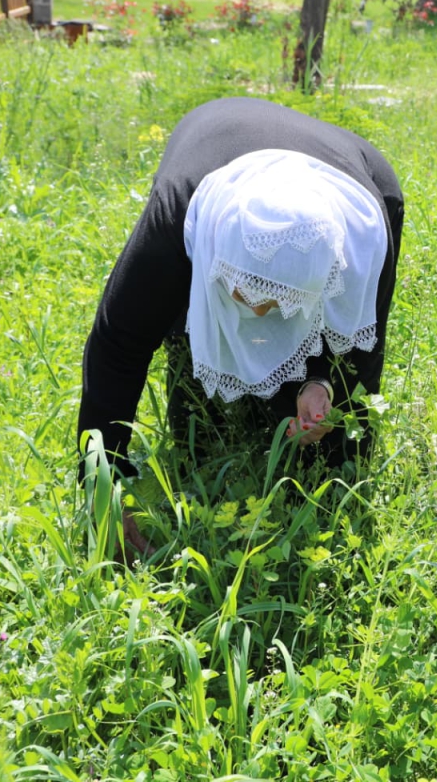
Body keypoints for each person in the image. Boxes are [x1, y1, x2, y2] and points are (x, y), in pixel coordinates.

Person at [78, 97, 405, 553]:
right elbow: (117, 349)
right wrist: (102, 494)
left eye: (282, 301)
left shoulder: (367, 232)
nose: (260, 311)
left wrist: (325, 387)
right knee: (183, 336)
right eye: (247, 292)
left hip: (349, 168)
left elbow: (361, 345)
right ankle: (202, 427)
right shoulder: (178, 217)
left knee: (335, 451)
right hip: (213, 133)